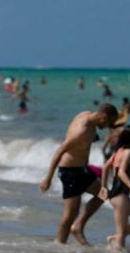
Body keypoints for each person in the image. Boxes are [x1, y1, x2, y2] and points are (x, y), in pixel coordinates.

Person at [39, 103, 120, 245]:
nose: (108, 126)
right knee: (69, 214)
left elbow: (79, 137)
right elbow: (60, 151)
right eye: (109, 123)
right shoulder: (82, 130)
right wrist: (48, 178)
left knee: (103, 193)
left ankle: (78, 227)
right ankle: (58, 244)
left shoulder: (85, 115)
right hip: (70, 171)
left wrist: (91, 138)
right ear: (104, 116)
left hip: (81, 169)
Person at [101, 125, 130, 249]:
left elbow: (106, 166)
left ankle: (114, 238)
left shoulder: (118, 151)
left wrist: (104, 187)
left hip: (117, 196)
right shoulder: (127, 152)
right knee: (121, 233)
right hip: (120, 197)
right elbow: (121, 173)